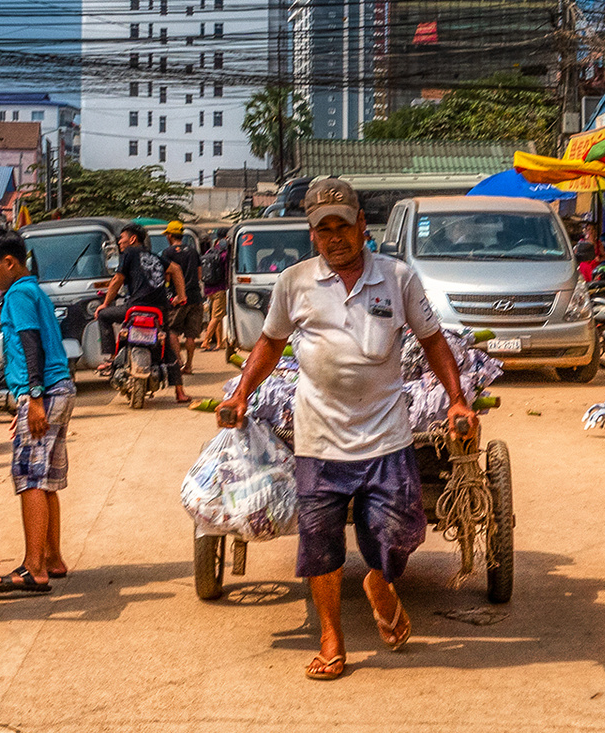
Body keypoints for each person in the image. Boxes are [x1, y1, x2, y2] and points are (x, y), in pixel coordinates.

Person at [218, 178, 478, 681]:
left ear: (363, 226)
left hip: (387, 436)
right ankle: (332, 640)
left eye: (343, 226)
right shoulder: (293, 282)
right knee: (320, 544)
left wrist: (457, 401)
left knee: (399, 533)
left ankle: (381, 582)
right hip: (319, 440)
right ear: (313, 236)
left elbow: (432, 341)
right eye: (324, 230)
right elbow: (270, 345)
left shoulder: (397, 278)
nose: (335, 237)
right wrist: (241, 392)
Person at [0, 229, 76, 594]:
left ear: (10, 262)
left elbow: (29, 343)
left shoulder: (17, 293)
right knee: (47, 480)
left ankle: (33, 567)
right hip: (58, 389)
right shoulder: (34, 290)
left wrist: (33, 397)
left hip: (44, 392)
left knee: (30, 480)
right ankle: (52, 557)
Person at [95, 223, 190, 404]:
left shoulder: (129, 253)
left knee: (103, 315)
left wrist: (105, 304)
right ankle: (180, 392)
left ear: (132, 239)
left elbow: (117, 279)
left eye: (122, 238)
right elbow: (176, 269)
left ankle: (110, 357)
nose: (120, 242)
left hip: (136, 308)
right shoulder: (155, 257)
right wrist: (181, 296)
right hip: (159, 311)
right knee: (168, 344)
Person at [161, 221, 206, 375]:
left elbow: (166, 277)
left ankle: (177, 362)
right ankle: (189, 365)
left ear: (170, 235)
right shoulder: (193, 251)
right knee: (191, 334)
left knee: (172, 330)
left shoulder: (167, 253)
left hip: (177, 298)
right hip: (195, 297)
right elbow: (199, 275)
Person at [201, 228, 232, 354]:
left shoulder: (210, 250)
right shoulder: (225, 253)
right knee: (216, 317)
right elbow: (227, 271)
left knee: (217, 316)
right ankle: (206, 341)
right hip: (219, 289)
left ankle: (219, 343)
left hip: (209, 288)